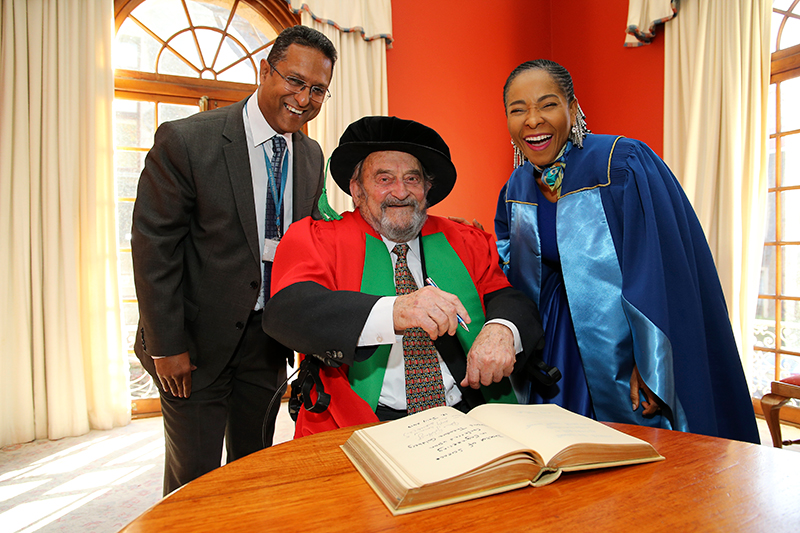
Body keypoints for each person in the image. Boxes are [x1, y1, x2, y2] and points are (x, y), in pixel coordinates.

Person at [495, 59, 759, 443]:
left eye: (547, 104)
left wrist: (651, 362)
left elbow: (657, 267)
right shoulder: (515, 188)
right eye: (517, 110)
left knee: (637, 458)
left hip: (622, 342)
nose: (532, 120)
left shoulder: (622, 163)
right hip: (557, 348)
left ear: (573, 108)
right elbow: (512, 274)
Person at [131, 25, 337, 494]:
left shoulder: (310, 155)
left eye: (318, 89)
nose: (304, 99)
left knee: (254, 475)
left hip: (267, 342)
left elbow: (306, 243)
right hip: (193, 345)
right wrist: (167, 345)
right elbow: (153, 247)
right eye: (295, 81)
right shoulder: (187, 141)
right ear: (265, 71)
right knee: (194, 483)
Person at [263, 116, 558, 437]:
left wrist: (502, 329)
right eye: (384, 178)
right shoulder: (317, 239)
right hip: (357, 424)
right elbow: (287, 311)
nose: (400, 192)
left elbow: (507, 296)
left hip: (464, 415)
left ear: (427, 189)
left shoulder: (463, 239)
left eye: (413, 179)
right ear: (356, 190)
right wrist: (393, 312)